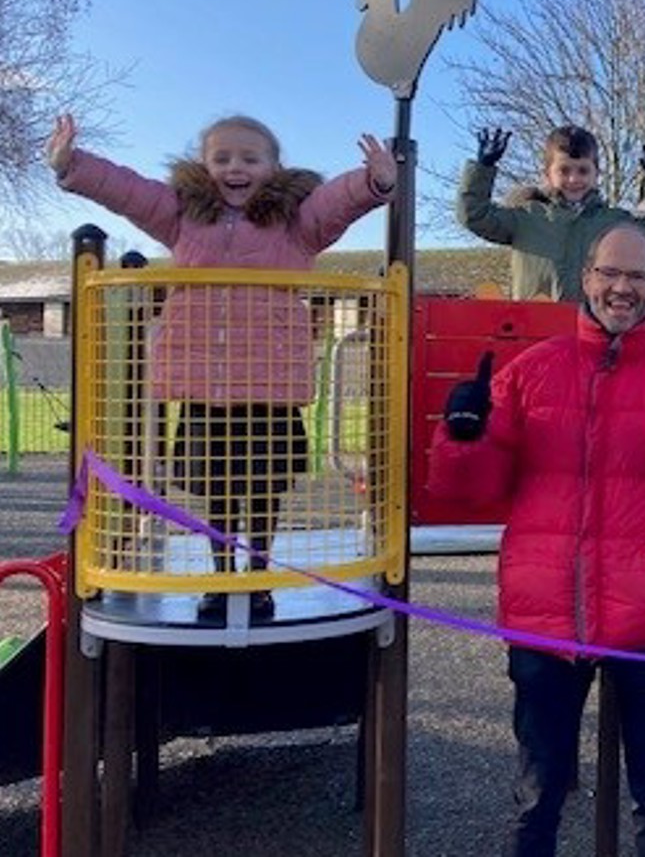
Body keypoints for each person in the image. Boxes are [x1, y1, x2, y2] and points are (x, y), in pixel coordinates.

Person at [427, 223, 645, 857]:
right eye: (610, 273)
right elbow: (473, 486)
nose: (622, 288)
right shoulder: (532, 371)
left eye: (637, 276)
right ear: (586, 279)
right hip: (546, 610)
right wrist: (462, 436)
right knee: (538, 789)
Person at [46, 113, 396, 623]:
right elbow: (129, 192)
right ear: (203, 166)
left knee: (262, 488)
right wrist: (72, 164)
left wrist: (374, 180)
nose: (236, 168)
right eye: (222, 158)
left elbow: (334, 204)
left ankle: (256, 578)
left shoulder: (294, 224)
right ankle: (219, 576)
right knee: (216, 488)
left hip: (268, 388)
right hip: (204, 387)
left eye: (250, 159)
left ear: (274, 168)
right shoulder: (183, 216)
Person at [457, 124, 645, 302]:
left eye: (583, 171)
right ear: (547, 174)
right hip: (535, 331)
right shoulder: (526, 218)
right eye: (564, 171)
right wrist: (483, 168)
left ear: (597, 174)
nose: (574, 179)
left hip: (593, 331)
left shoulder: (615, 223)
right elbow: (474, 215)